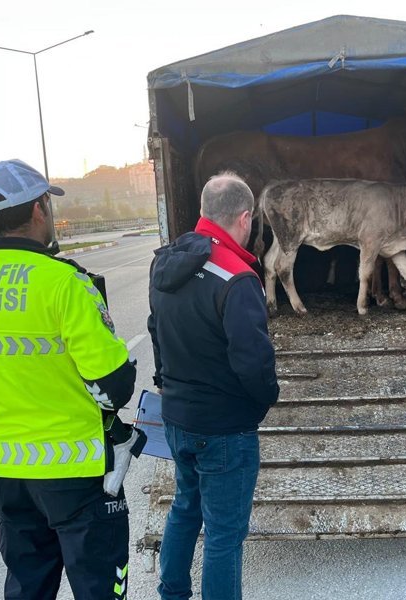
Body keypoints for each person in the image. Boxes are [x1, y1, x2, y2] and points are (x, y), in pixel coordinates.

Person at [0, 159, 143, 600]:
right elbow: (113, 387)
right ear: (40, 209)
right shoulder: (64, 283)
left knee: (27, 590)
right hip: (77, 475)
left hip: (10, 476)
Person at [147, 172, 279, 600]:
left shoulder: (164, 262)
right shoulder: (238, 278)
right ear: (244, 218)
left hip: (178, 419)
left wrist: (166, 383)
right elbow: (253, 363)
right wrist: (262, 402)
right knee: (224, 535)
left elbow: (156, 331)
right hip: (224, 430)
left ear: (204, 212)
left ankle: (172, 593)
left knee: (185, 508)